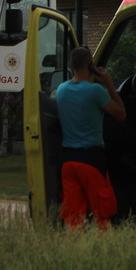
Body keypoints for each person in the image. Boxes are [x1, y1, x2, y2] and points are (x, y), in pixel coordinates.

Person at [52, 46, 126, 230]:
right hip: (91, 160)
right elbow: (121, 114)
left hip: (68, 162)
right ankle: (102, 252)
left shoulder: (61, 90)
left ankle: (75, 250)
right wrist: (108, 83)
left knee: (73, 217)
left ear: (70, 65)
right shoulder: (96, 91)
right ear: (90, 64)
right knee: (102, 214)